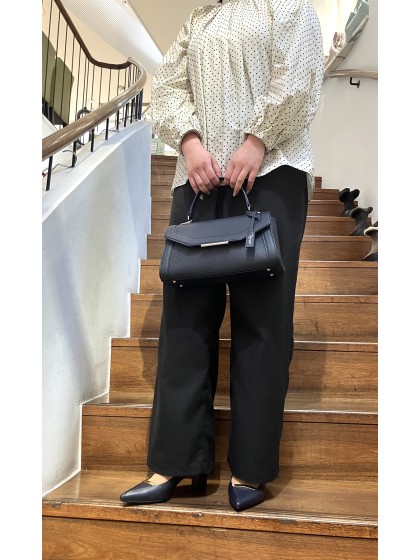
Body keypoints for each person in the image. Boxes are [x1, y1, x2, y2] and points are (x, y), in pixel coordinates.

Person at [120, 0, 324, 512]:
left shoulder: (287, 6)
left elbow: (297, 76)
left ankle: (251, 465)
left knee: (263, 321)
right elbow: (169, 87)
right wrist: (190, 144)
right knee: (184, 320)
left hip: (271, 170)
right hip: (199, 177)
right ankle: (174, 460)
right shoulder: (199, 20)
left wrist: (257, 141)